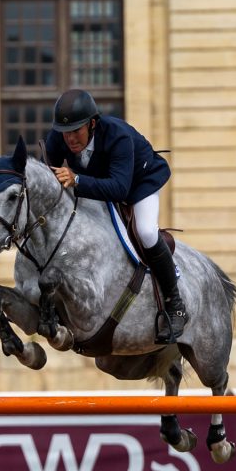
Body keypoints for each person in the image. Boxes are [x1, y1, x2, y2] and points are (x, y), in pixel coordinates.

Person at [45, 88, 187, 345]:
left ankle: (174, 304)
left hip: (137, 184)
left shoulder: (117, 136)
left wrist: (76, 179)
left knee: (145, 231)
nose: (71, 139)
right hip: (96, 184)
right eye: (66, 133)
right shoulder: (58, 139)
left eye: (77, 131)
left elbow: (119, 189)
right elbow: (50, 176)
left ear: (93, 124)